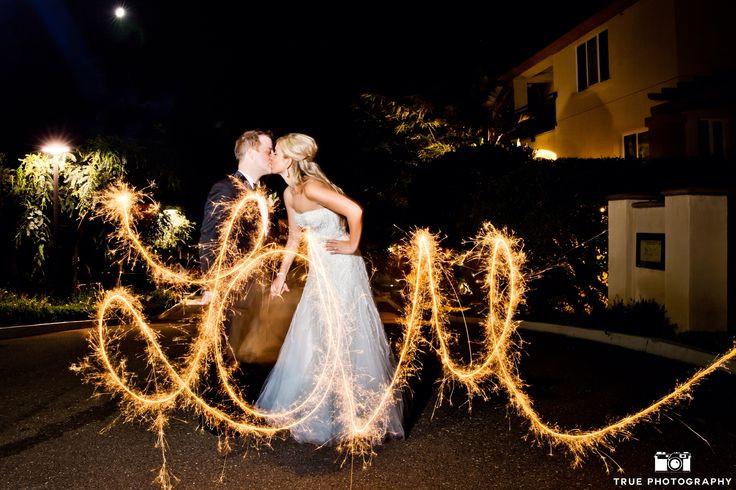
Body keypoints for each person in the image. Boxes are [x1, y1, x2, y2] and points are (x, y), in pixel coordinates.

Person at [256, 133, 404, 445]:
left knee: (345, 336)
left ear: (291, 159)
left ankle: (358, 414)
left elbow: (355, 211)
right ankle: (320, 415)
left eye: (276, 153)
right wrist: (280, 275)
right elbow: (294, 238)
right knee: (316, 337)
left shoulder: (311, 186)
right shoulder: (289, 192)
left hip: (341, 267)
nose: (271, 157)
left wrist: (352, 244)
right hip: (320, 272)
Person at [199, 129, 274, 364]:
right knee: (225, 355)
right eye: (268, 150)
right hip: (232, 288)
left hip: (255, 287)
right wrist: (211, 284)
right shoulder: (226, 189)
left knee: (245, 356)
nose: (272, 155)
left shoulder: (261, 192)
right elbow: (210, 237)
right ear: (252, 152)